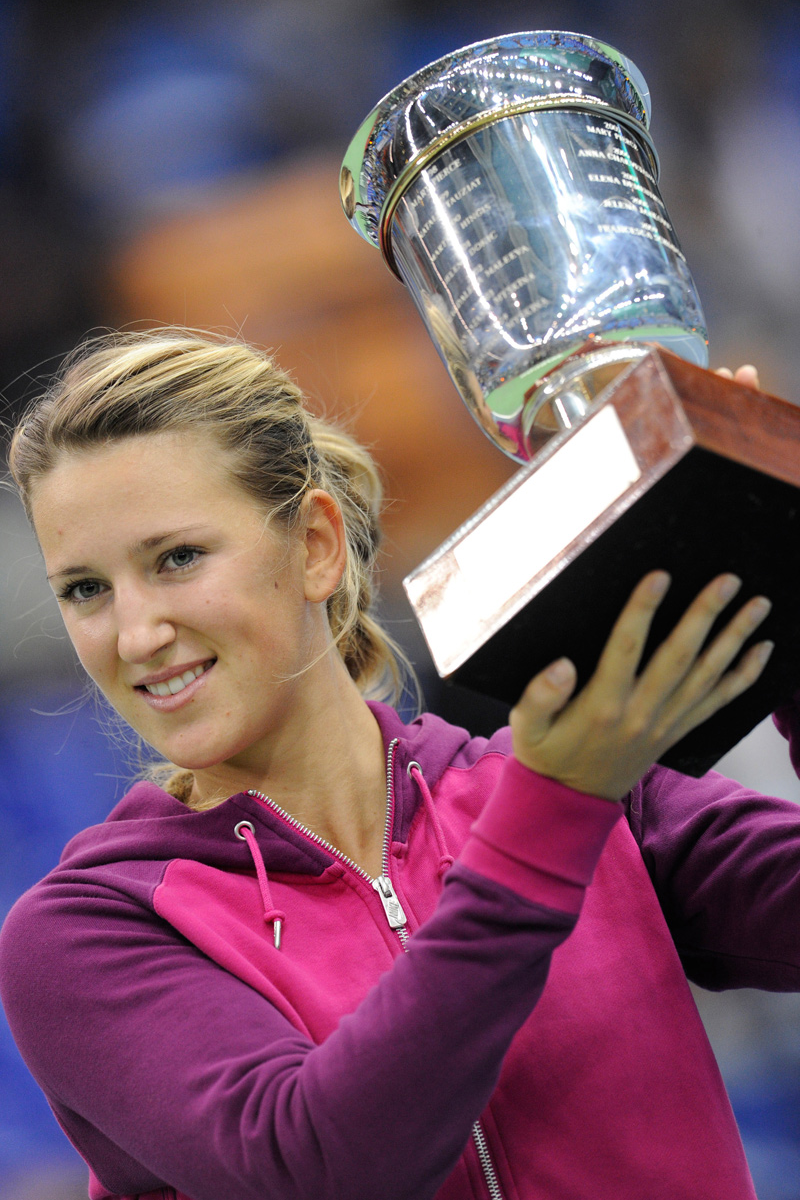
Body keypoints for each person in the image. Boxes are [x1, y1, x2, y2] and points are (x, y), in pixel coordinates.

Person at [0, 329, 797, 1200]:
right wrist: (552, 812)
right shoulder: (85, 933)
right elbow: (319, 1166)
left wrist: (777, 562)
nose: (135, 634)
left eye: (177, 559)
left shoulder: (591, 797)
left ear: (315, 545)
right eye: (86, 589)